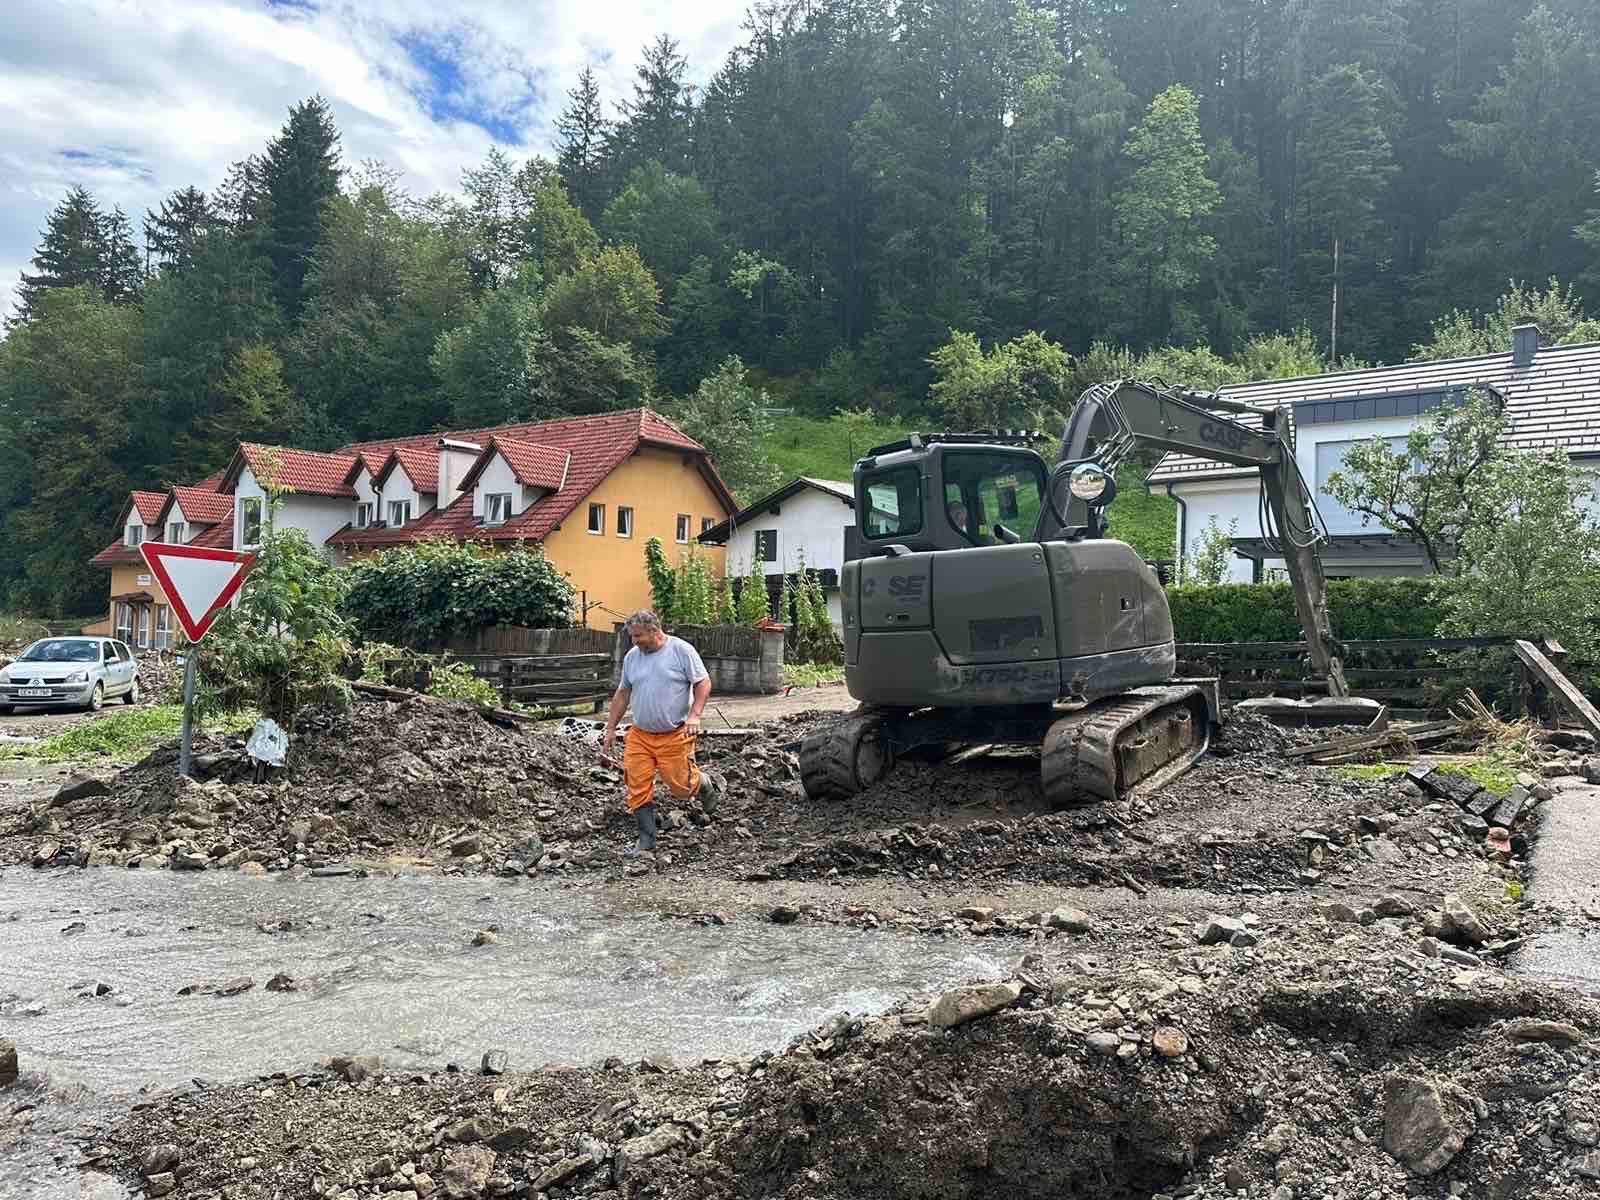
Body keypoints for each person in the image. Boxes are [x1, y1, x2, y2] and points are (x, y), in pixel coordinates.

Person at [600, 610, 724, 857]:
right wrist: (611, 728)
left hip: (675, 733)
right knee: (637, 785)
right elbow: (623, 693)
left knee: (680, 787)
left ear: (655, 631)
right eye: (631, 637)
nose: (634, 641)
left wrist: (695, 715)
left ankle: (704, 783)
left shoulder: (681, 651)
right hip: (640, 735)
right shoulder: (632, 657)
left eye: (638, 636)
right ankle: (646, 840)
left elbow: (703, 682)